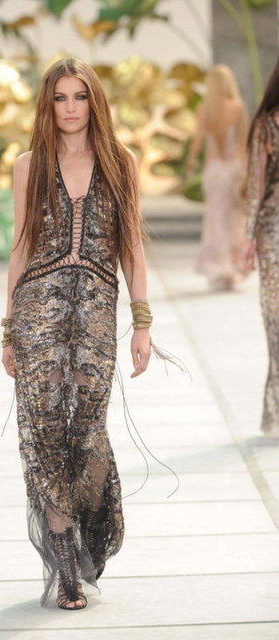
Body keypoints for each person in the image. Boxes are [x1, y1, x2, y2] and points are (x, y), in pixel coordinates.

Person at [1, 58, 154, 610]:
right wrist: (8, 330)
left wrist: (142, 322)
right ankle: (65, 562)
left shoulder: (120, 163)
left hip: (95, 311)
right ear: (48, 104)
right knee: (44, 432)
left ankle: (92, 527)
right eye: (61, 97)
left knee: (87, 431)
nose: (70, 108)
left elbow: (131, 245)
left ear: (95, 102)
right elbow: (21, 246)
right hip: (38, 311)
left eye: (80, 96)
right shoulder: (29, 166)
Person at [187, 64, 249, 290]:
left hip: (214, 170)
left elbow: (198, 139)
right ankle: (232, 266)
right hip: (234, 168)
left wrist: (191, 162)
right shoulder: (238, 107)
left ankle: (219, 267)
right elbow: (243, 142)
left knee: (215, 219)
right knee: (234, 219)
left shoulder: (205, 108)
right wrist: (246, 170)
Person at [243, 57, 279, 437]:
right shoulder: (266, 125)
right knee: (275, 318)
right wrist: (247, 237)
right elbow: (255, 184)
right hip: (272, 230)